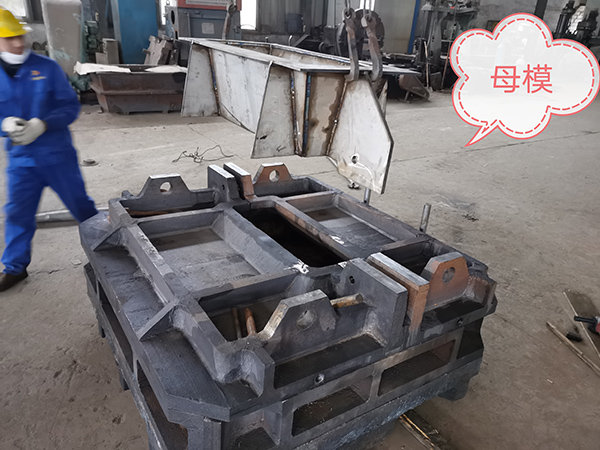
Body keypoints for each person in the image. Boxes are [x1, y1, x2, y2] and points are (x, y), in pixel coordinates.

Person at [0, 8, 98, 291]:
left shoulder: (46, 68)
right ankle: (15, 268)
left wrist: (42, 124)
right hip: (21, 162)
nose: (18, 43)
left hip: (57, 157)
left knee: (83, 208)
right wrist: (4, 123)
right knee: (18, 213)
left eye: (19, 36)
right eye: (9, 39)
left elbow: (70, 106)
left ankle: (108, 252)